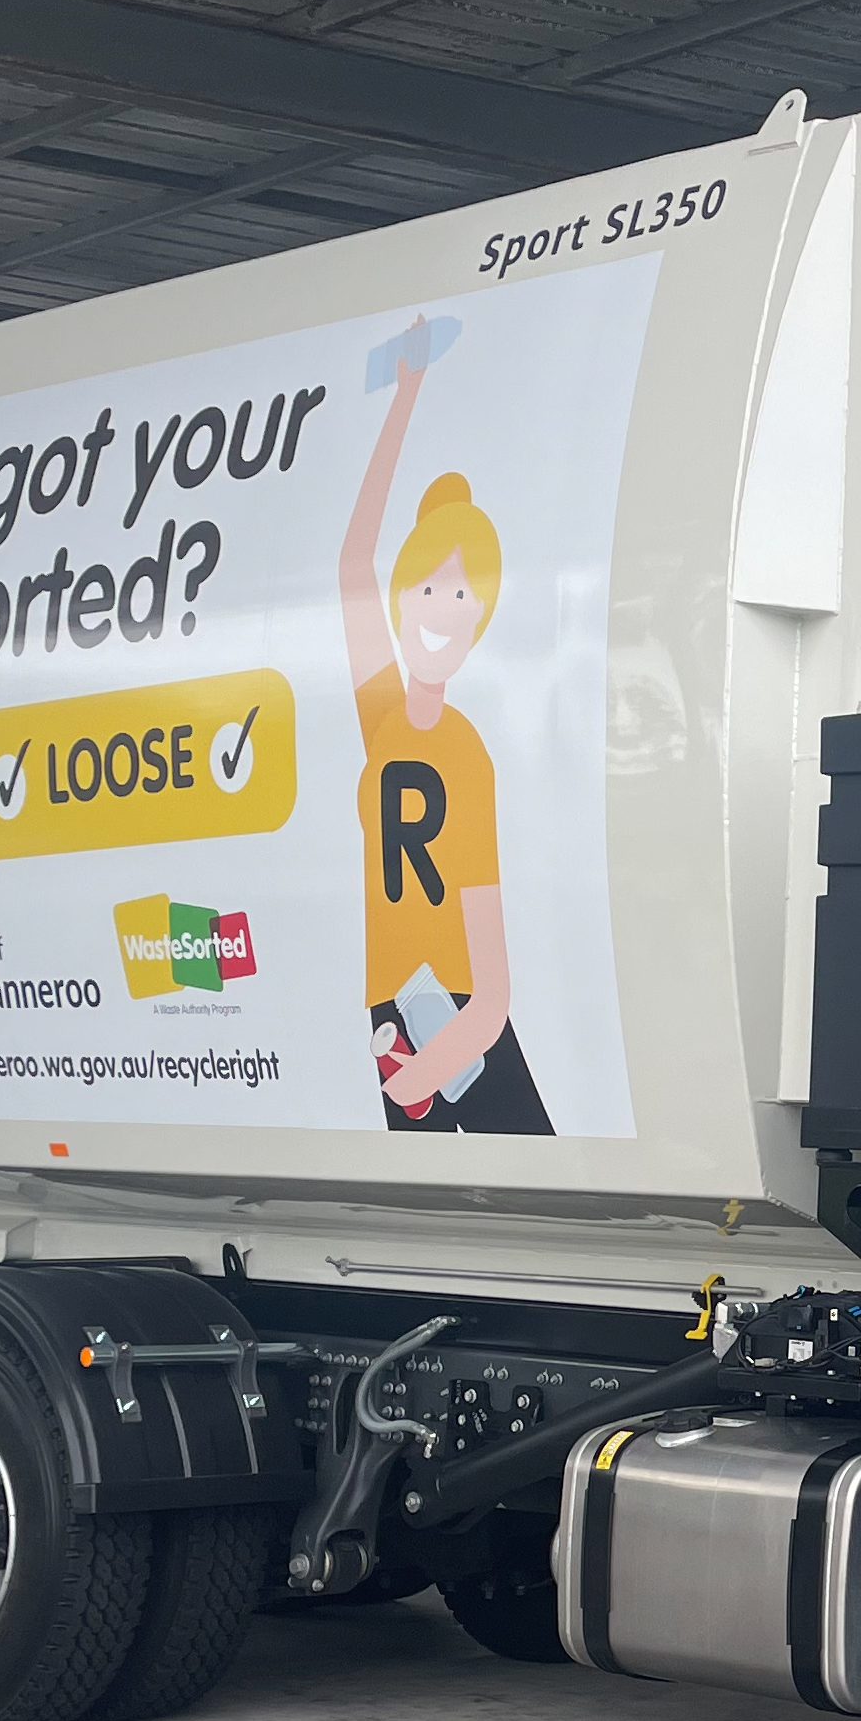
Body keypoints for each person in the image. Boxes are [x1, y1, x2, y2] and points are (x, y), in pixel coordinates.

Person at [340, 317, 550, 1133]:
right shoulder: (383, 715)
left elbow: (492, 992)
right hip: (393, 1012)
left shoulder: (467, 752)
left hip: (456, 1022)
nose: (442, 611)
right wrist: (406, 398)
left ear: (481, 619)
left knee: (539, 1198)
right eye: (429, 588)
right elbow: (354, 560)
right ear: (401, 598)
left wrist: (419, 1074)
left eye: (463, 597)